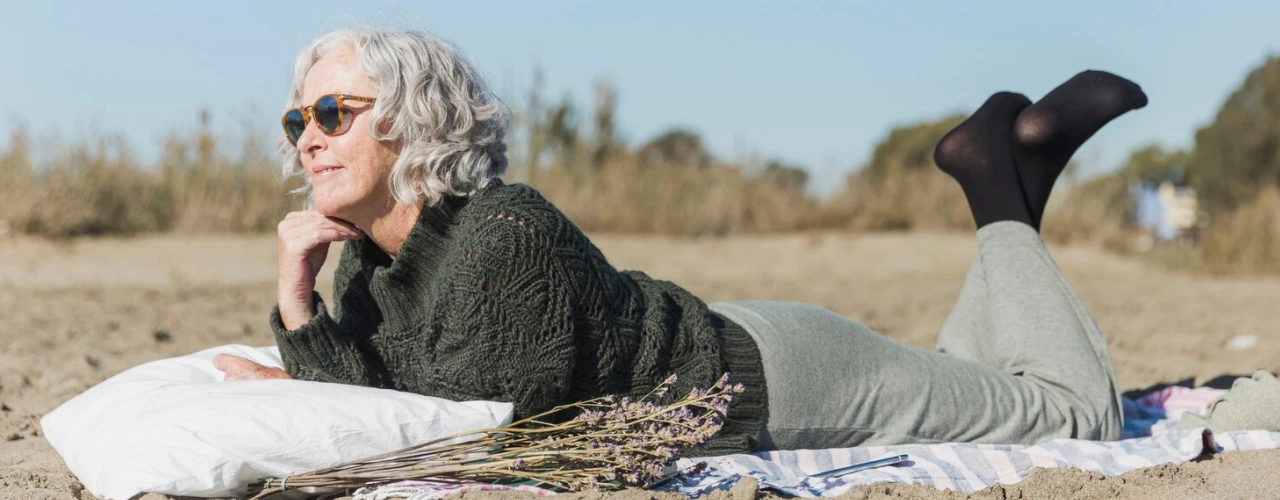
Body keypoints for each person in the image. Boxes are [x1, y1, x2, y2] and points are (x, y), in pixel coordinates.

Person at [214, 28, 1148, 456]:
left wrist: (306, 363)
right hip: (737, 340)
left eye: (334, 111)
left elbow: (456, 431)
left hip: (778, 380)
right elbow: (388, 403)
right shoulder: (367, 269)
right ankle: (1022, 164)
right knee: (969, 376)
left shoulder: (503, 233)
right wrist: (301, 308)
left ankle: (999, 187)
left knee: (1071, 413)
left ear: (412, 122)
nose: (307, 136)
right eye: (297, 116)